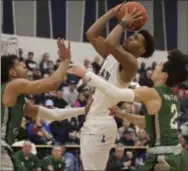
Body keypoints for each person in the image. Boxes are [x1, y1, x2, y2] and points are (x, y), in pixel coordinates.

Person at [67, 49, 188, 171]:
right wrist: (124, 114)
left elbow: (116, 93)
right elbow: (149, 122)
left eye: (160, 65)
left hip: (163, 158)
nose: (156, 66)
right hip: (178, 155)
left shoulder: (150, 93)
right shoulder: (174, 96)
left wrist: (86, 74)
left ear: (164, 75)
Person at [69, 3, 154, 170]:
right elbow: (91, 34)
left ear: (142, 50)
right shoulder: (113, 55)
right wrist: (113, 12)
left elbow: (109, 41)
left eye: (136, 38)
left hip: (101, 123)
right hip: (95, 121)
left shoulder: (131, 64)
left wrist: (123, 22)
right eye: (133, 34)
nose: (130, 37)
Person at [1, 39, 90, 170]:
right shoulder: (14, 84)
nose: (24, 64)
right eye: (19, 64)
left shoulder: (17, 99)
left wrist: (83, 110)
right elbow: (52, 84)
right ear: (12, 73)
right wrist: (65, 61)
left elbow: (52, 114)